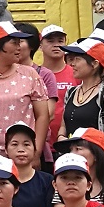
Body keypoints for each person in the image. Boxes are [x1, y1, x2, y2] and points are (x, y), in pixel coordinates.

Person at [0, 21, 49, 160]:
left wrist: (36, 152)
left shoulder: (30, 74)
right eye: (14, 43)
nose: (19, 47)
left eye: (19, 42)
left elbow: (42, 116)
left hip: (23, 156)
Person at [59, 38, 104, 149]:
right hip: (72, 157)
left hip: (97, 157)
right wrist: (61, 137)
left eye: (78, 59)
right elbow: (63, 127)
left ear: (94, 64)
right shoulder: (71, 92)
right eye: (72, 59)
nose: (72, 64)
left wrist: (103, 157)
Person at [4, 122, 55, 207]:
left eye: (26, 144)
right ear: (6, 150)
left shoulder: (48, 181)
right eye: (14, 144)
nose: (21, 149)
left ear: (35, 149)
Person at [39, 26, 77, 156]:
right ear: (40, 45)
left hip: (69, 144)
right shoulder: (34, 74)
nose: (56, 45)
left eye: (60, 41)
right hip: (41, 144)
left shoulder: (76, 73)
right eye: (50, 41)